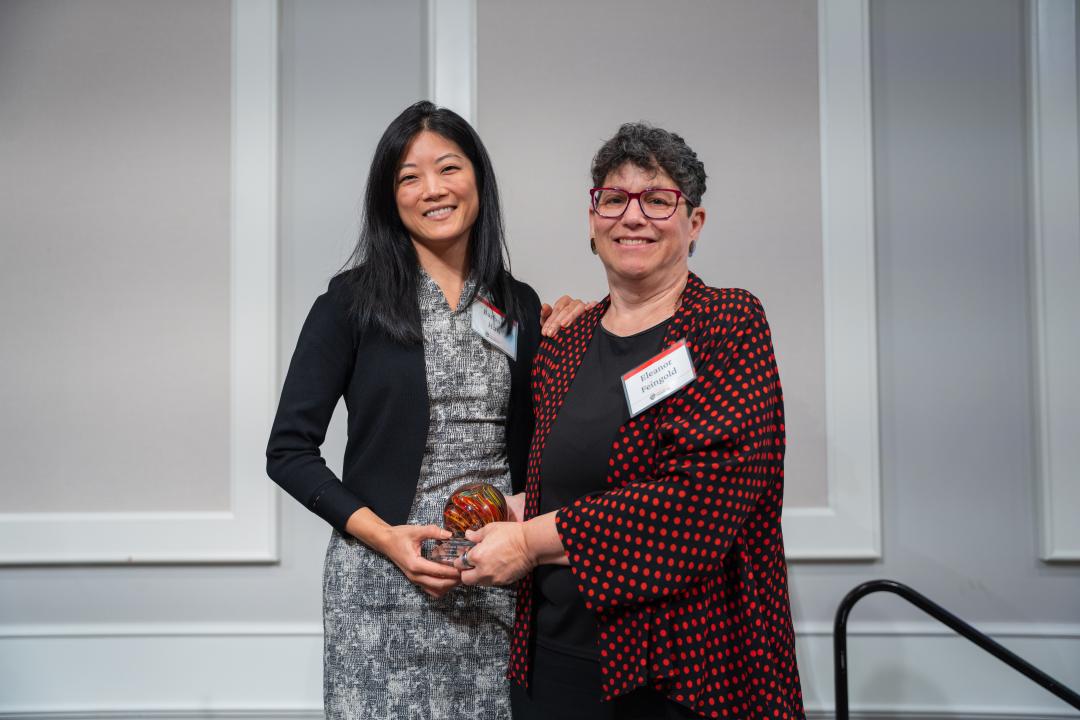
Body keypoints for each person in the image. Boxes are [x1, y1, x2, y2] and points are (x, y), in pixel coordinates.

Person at [458, 123, 805, 719]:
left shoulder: (728, 324)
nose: (632, 217)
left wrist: (527, 542)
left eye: (658, 200)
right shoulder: (563, 345)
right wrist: (510, 510)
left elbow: (696, 503)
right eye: (614, 199)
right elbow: (572, 480)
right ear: (593, 222)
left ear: (694, 224)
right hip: (551, 659)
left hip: (683, 669)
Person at [266, 101, 585, 720]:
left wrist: (577, 334)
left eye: (448, 168)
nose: (432, 189)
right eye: (409, 176)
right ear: (389, 198)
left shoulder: (516, 305)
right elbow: (287, 451)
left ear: (478, 181)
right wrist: (387, 540)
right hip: (381, 582)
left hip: (495, 577)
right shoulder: (351, 302)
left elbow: (547, 430)